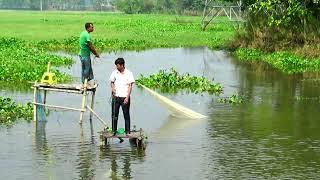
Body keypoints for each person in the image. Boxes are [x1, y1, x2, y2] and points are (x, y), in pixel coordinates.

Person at [109, 58, 135, 136]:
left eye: (118, 66)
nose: (117, 67)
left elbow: (130, 86)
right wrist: (113, 88)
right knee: (114, 115)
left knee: (126, 115)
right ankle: (114, 131)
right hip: (116, 97)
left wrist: (127, 97)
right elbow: (112, 82)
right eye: (116, 66)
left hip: (124, 97)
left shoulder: (129, 73)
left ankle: (127, 132)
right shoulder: (115, 73)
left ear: (122, 65)